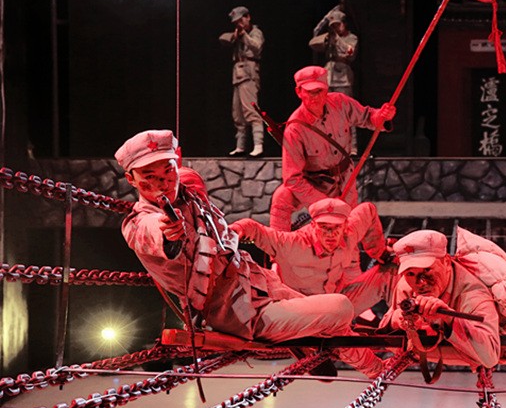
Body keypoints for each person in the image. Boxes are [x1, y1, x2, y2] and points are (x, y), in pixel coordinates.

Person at [116, 129, 384, 377]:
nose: (162, 184)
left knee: (332, 320)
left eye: (168, 171)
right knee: (340, 308)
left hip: (260, 283)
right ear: (131, 180)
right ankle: (352, 361)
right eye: (149, 177)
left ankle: (371, 369)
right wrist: (169, 231)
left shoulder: (190, 193)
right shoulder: (139, 224)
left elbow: (189, 179)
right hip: (238, 312)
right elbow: (155, 230)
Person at [381, 230, 506, 369]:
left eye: (427, 270)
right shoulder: (406, 286)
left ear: (446, 262)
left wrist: (449, 318)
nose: (420, 283)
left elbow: (490, 357)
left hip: (485, 347)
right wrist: (399, 320)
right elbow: (386, 335)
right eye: (411, 273)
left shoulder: (473, 294)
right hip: (433, 346)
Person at [270, 66, 396, 230]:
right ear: (299, 92)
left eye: (319, 91)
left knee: (346, 231)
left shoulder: (340, 102)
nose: (315, 97)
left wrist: (382, 116)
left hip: (344, 180)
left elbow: (368, 117)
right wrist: (324, 203)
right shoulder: (295, 129)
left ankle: (375, 246)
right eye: (309, 92)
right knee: (282, 197)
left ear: (327, 89)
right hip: (314, 182)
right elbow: (292, 178)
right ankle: (278, 243)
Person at [231, 197, 396, 317]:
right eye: (324, 227)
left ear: (345, 225)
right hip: (301, 313)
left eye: (336, 227)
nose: (330, 234)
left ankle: (400, 326)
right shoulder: (293, 243)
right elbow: (256, 230)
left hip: (336, 306)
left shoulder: (350, 233)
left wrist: (380, 252)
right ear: (313, 225)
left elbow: (368, 210)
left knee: (389, 272)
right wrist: (233, 231)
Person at [310, 7, 360, 154]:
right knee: (327, 114)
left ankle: (352, 146)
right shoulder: (329, 37)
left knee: (347, 113)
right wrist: (326, 19)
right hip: (329, 79)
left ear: (344, 24)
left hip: (343, 78)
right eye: (333, 26)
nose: (336, 28)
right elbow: (313, 38)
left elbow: (350, 52)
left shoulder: (352, 38)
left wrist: (338, 40)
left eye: (338, 25)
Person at [219, 6, 266, 158]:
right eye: (236, 22)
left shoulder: (255, 32)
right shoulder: (237, 34)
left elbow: (257, 47)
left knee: (251, 110)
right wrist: (236, 35)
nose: (239, 24)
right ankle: (240, 146)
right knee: (238, 114)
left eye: (241, 20)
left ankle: (258, 145)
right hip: (238, 76)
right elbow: (223, 39)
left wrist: (244, 35)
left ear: (248, 17)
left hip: (249, 74)